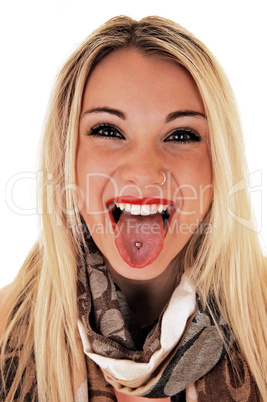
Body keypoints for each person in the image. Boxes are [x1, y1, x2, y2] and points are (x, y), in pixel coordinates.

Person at [0, 15, 266, 402]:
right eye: (108, 130)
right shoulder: (5, 330)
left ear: (219, 163)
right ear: (66, 158)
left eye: (181, 135)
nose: (143, 173)